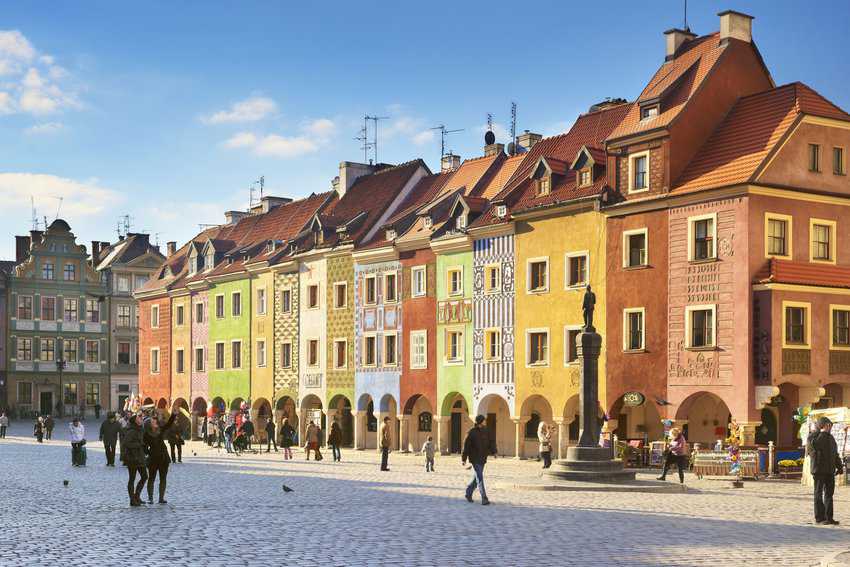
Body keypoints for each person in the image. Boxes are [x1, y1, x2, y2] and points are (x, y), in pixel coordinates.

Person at [808, 416, 844, 525]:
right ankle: (819, 517)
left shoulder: (831, 438)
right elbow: (815, 446)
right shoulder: (813, 437)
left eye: (830, 425)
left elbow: (835, 454)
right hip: (819, 470)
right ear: (822, 425)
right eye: (828, 425)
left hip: (829, 470)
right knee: (818, 493)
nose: (830, 427)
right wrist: (823, 433)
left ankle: (829, 517)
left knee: (829, 494)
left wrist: (839, 466)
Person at [462, 415, 496, 505]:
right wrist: (464, 458)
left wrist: (494, 451)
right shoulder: (471, 432)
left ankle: (468, 493)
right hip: (474, 458)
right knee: (479, 478)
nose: (485, 421)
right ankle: (484, 498)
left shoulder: (486, 431)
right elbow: (466, 446)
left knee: (476, 478)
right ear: (480, 421)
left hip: (483, 457)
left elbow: (491, 441)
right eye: (484, 420)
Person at [144, 412, 178, 504]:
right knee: (151, 478)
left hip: (163, 458)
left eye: (155, 421)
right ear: (149, 425)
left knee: (163, 478)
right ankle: (150, 498)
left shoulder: (160, 430)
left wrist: (173, 415)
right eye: (153, 421)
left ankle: (161, 498)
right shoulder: (146, 434)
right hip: (153, 459)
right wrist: (149, 452)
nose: (155, 422)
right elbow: (144, 447)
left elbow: (168, 424)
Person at [123, 414, 148, 506]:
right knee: (132, 478)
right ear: (135, 421)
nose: (141, 419)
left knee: (145, 476)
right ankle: (132, 500)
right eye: (139, 418)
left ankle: (137, 496)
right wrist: (138, 445)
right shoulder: (132, 431)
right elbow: (126, 443)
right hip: (132, 458)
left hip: (140, 457)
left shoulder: (140, 429)